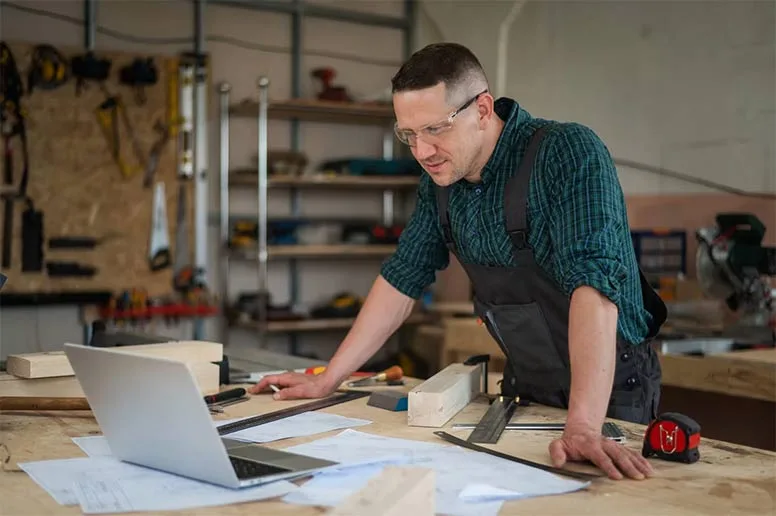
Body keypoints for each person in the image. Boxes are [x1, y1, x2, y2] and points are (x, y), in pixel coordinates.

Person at [250, 42, 667, 481]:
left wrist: (583, 424)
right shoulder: (441, 182)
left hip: (611, 391)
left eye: (435, 129)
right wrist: (329, 378)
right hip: (526, 387)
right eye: (408, 134)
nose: (423, 151)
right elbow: (403, 276)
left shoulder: (567, 153)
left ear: (483, 109)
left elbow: (594, 286)